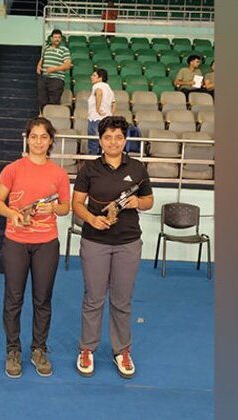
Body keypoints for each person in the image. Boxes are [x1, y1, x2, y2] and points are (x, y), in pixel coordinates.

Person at [71, 116, 154, 379]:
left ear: (125, 140)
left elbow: (149, 200)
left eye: (118, 137)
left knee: (121, 300)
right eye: (108, 137)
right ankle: (87, 348)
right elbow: (76, 204)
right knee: (93, 298)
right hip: (95, 241)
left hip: (128, 242)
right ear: (100, 141)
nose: (113, 142)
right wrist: (92, 219)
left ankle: (122, 350)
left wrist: (136, 204)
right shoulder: (89, 169)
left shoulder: (138, 168)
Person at [0, 117, 71, 379]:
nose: (38, 141)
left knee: (42, 299)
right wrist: (12, 214)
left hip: (46, 243)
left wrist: (53, 208)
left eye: (43, 137)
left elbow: (65, 207)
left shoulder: (58, 173)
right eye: (34, 136)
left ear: (51, 141)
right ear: (27, 138)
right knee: (13, 298)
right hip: (15, 241)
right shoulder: (12, 169)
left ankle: (39, 349)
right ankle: (13, 350)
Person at [36, 29, 72, 113]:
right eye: (55, 37)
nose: (57, 39)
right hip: (44, 78)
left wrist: (54, 69)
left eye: (59, 37)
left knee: (53, 102)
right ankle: (43, 117)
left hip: (57, 79)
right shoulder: (46, 48)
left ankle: (50, 120)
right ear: (51, 38)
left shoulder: (64, 50)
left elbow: (68, 65)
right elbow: (42, 59)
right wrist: (38, 65)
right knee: (41, 100)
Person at [87, 68, 116, 155]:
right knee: (103, 143)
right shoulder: (109, 88)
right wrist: (110, 114)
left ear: (100, 78)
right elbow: (114, 103)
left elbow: (99, 93)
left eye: (94, 75)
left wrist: (98, 108)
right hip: (106, 119)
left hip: (96, 118)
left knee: (94, 143)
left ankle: (93, 163)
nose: (91, 77)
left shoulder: (97, 86)